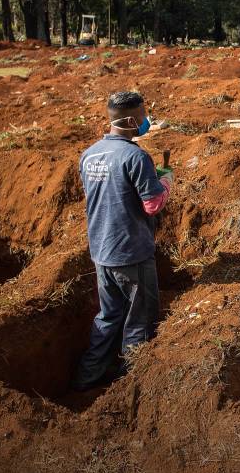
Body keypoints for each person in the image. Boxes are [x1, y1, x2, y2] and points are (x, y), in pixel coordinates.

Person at [74, 91, 172, 391]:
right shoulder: (136, 156)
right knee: (140, 320)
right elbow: (153, 204)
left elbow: (112, 190)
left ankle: (86, 378)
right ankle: (129, 385)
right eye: (143, 117)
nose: (146, 122)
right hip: (131, 253)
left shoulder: (89, 154)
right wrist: (165, 182)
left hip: (102, 251)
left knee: (109, 316)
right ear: (131, 120)